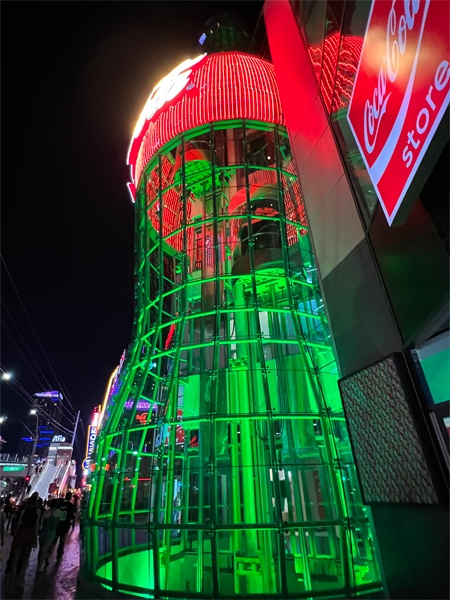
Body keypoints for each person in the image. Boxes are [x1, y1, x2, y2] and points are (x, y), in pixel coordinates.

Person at [6, 493, 41, 579]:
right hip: (30, 533)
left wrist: (15, 532)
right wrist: (36, 538)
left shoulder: (24, 510)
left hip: (21, 532)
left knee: (16, 552)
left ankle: (11, 570)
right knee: (26, 554)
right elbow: (36, 525)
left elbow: (18, 522)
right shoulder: (38, 511)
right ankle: (20, 573)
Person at [46, 492, 75, 564]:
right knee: (62, 542)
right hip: (65, 526)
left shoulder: (60, 504)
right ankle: (59, 556)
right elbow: (72, 516)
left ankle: (48, 554)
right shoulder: (71, 506)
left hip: (58, 525)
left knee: (54, 541)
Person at [36, 499, 61, 572]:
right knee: (45, 549)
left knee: (41, 549)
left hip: (43, 532)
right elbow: (58, 524)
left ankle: (38, 565)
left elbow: (41, 523)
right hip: (51, 532)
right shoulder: (59, 513)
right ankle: (40, 566)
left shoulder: (46, 512)